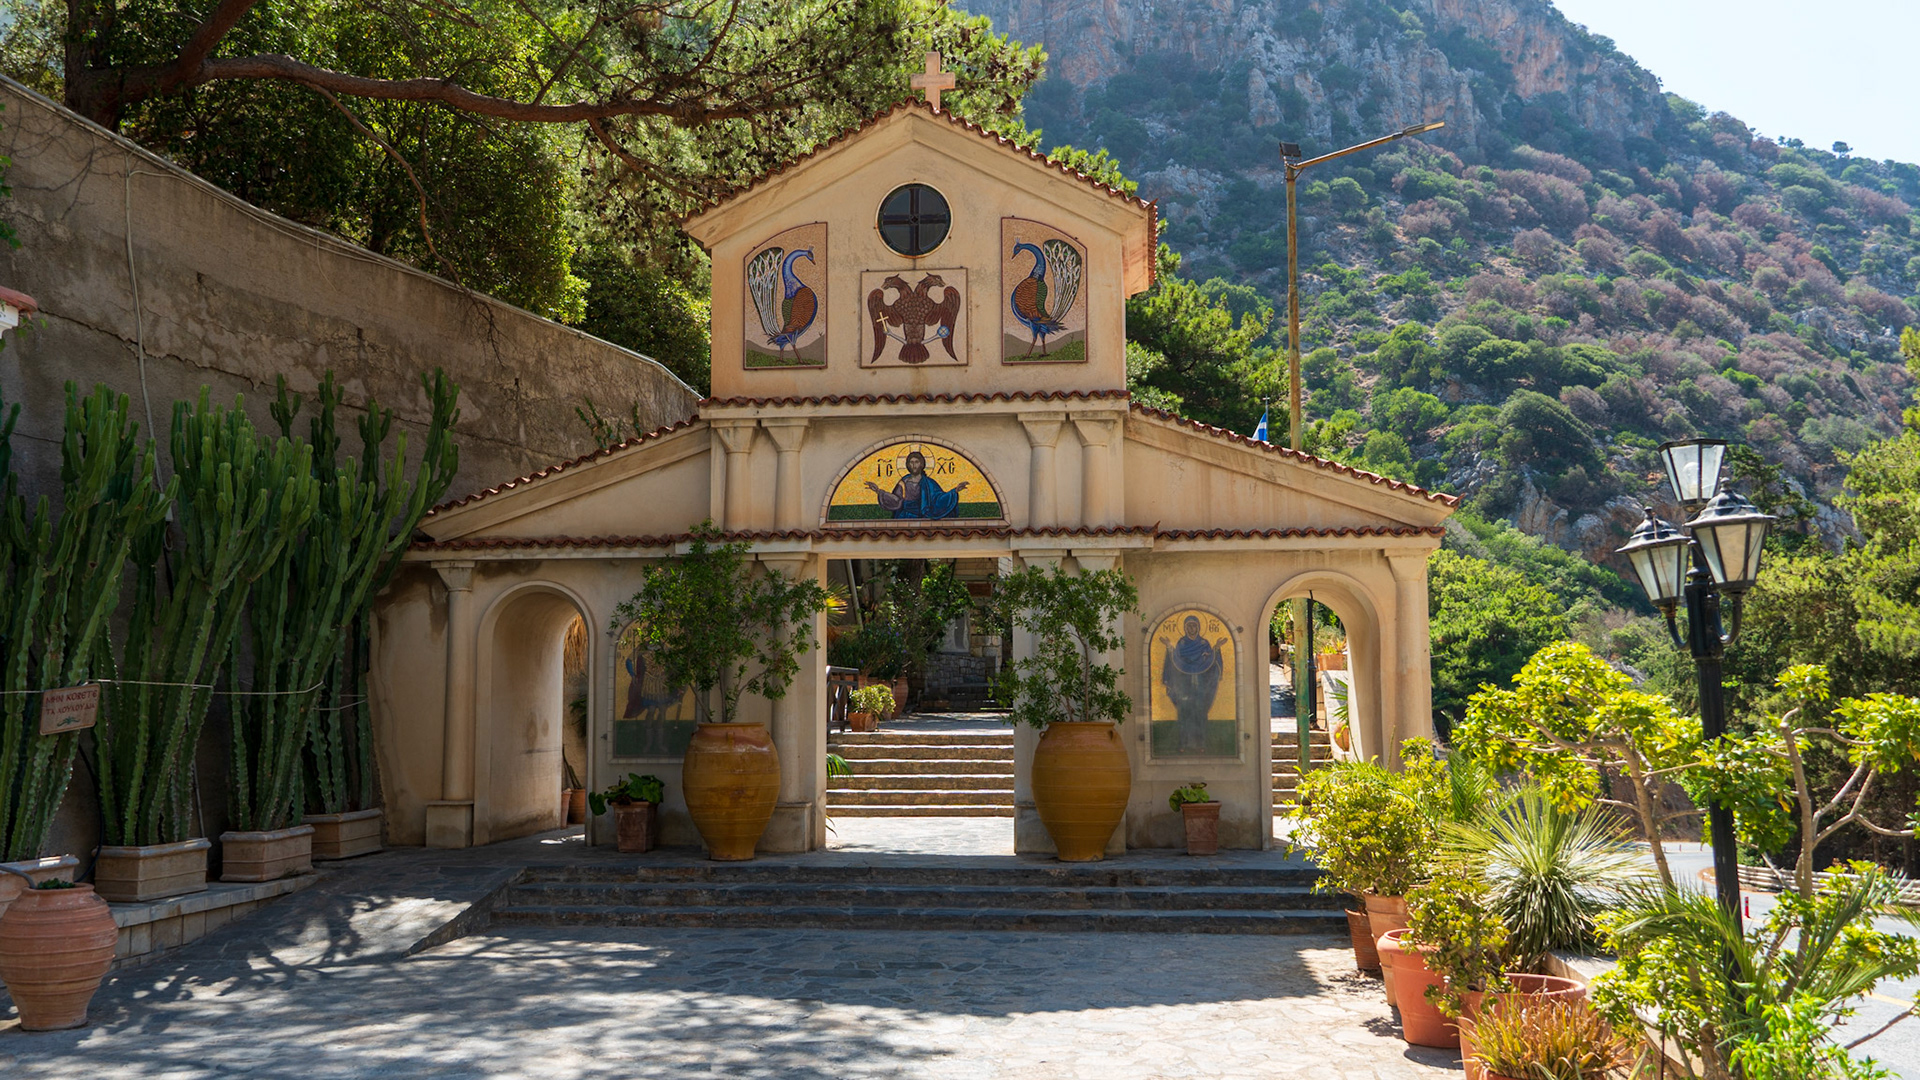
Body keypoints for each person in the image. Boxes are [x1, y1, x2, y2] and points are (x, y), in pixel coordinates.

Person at [1162, 615, 1228, 753]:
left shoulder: (1204, 643)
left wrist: (1216, 648)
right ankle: (1183, 743)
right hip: (1185, 685)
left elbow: (1209, 661)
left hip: (1200, 685)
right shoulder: (1181, 644)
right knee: (1184, 713)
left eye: (1194, 626)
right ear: (1185, 628)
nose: (1191, 628)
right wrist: (1169, 647)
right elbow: (1176, 660)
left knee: (1200, 713)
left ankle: (1201, 744)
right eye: (1189, 626)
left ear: (1198, 627)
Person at [864, 450, 968, 519]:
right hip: (905, 517)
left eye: (916, 462)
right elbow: (896, 500)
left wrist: (954, 491)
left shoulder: (929, 483)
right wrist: (878, 491)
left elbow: (938, 499)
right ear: (908, 465)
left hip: (923, 517)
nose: (914, 465)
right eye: (911, 462)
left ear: (921, 464)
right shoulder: (903, 482)